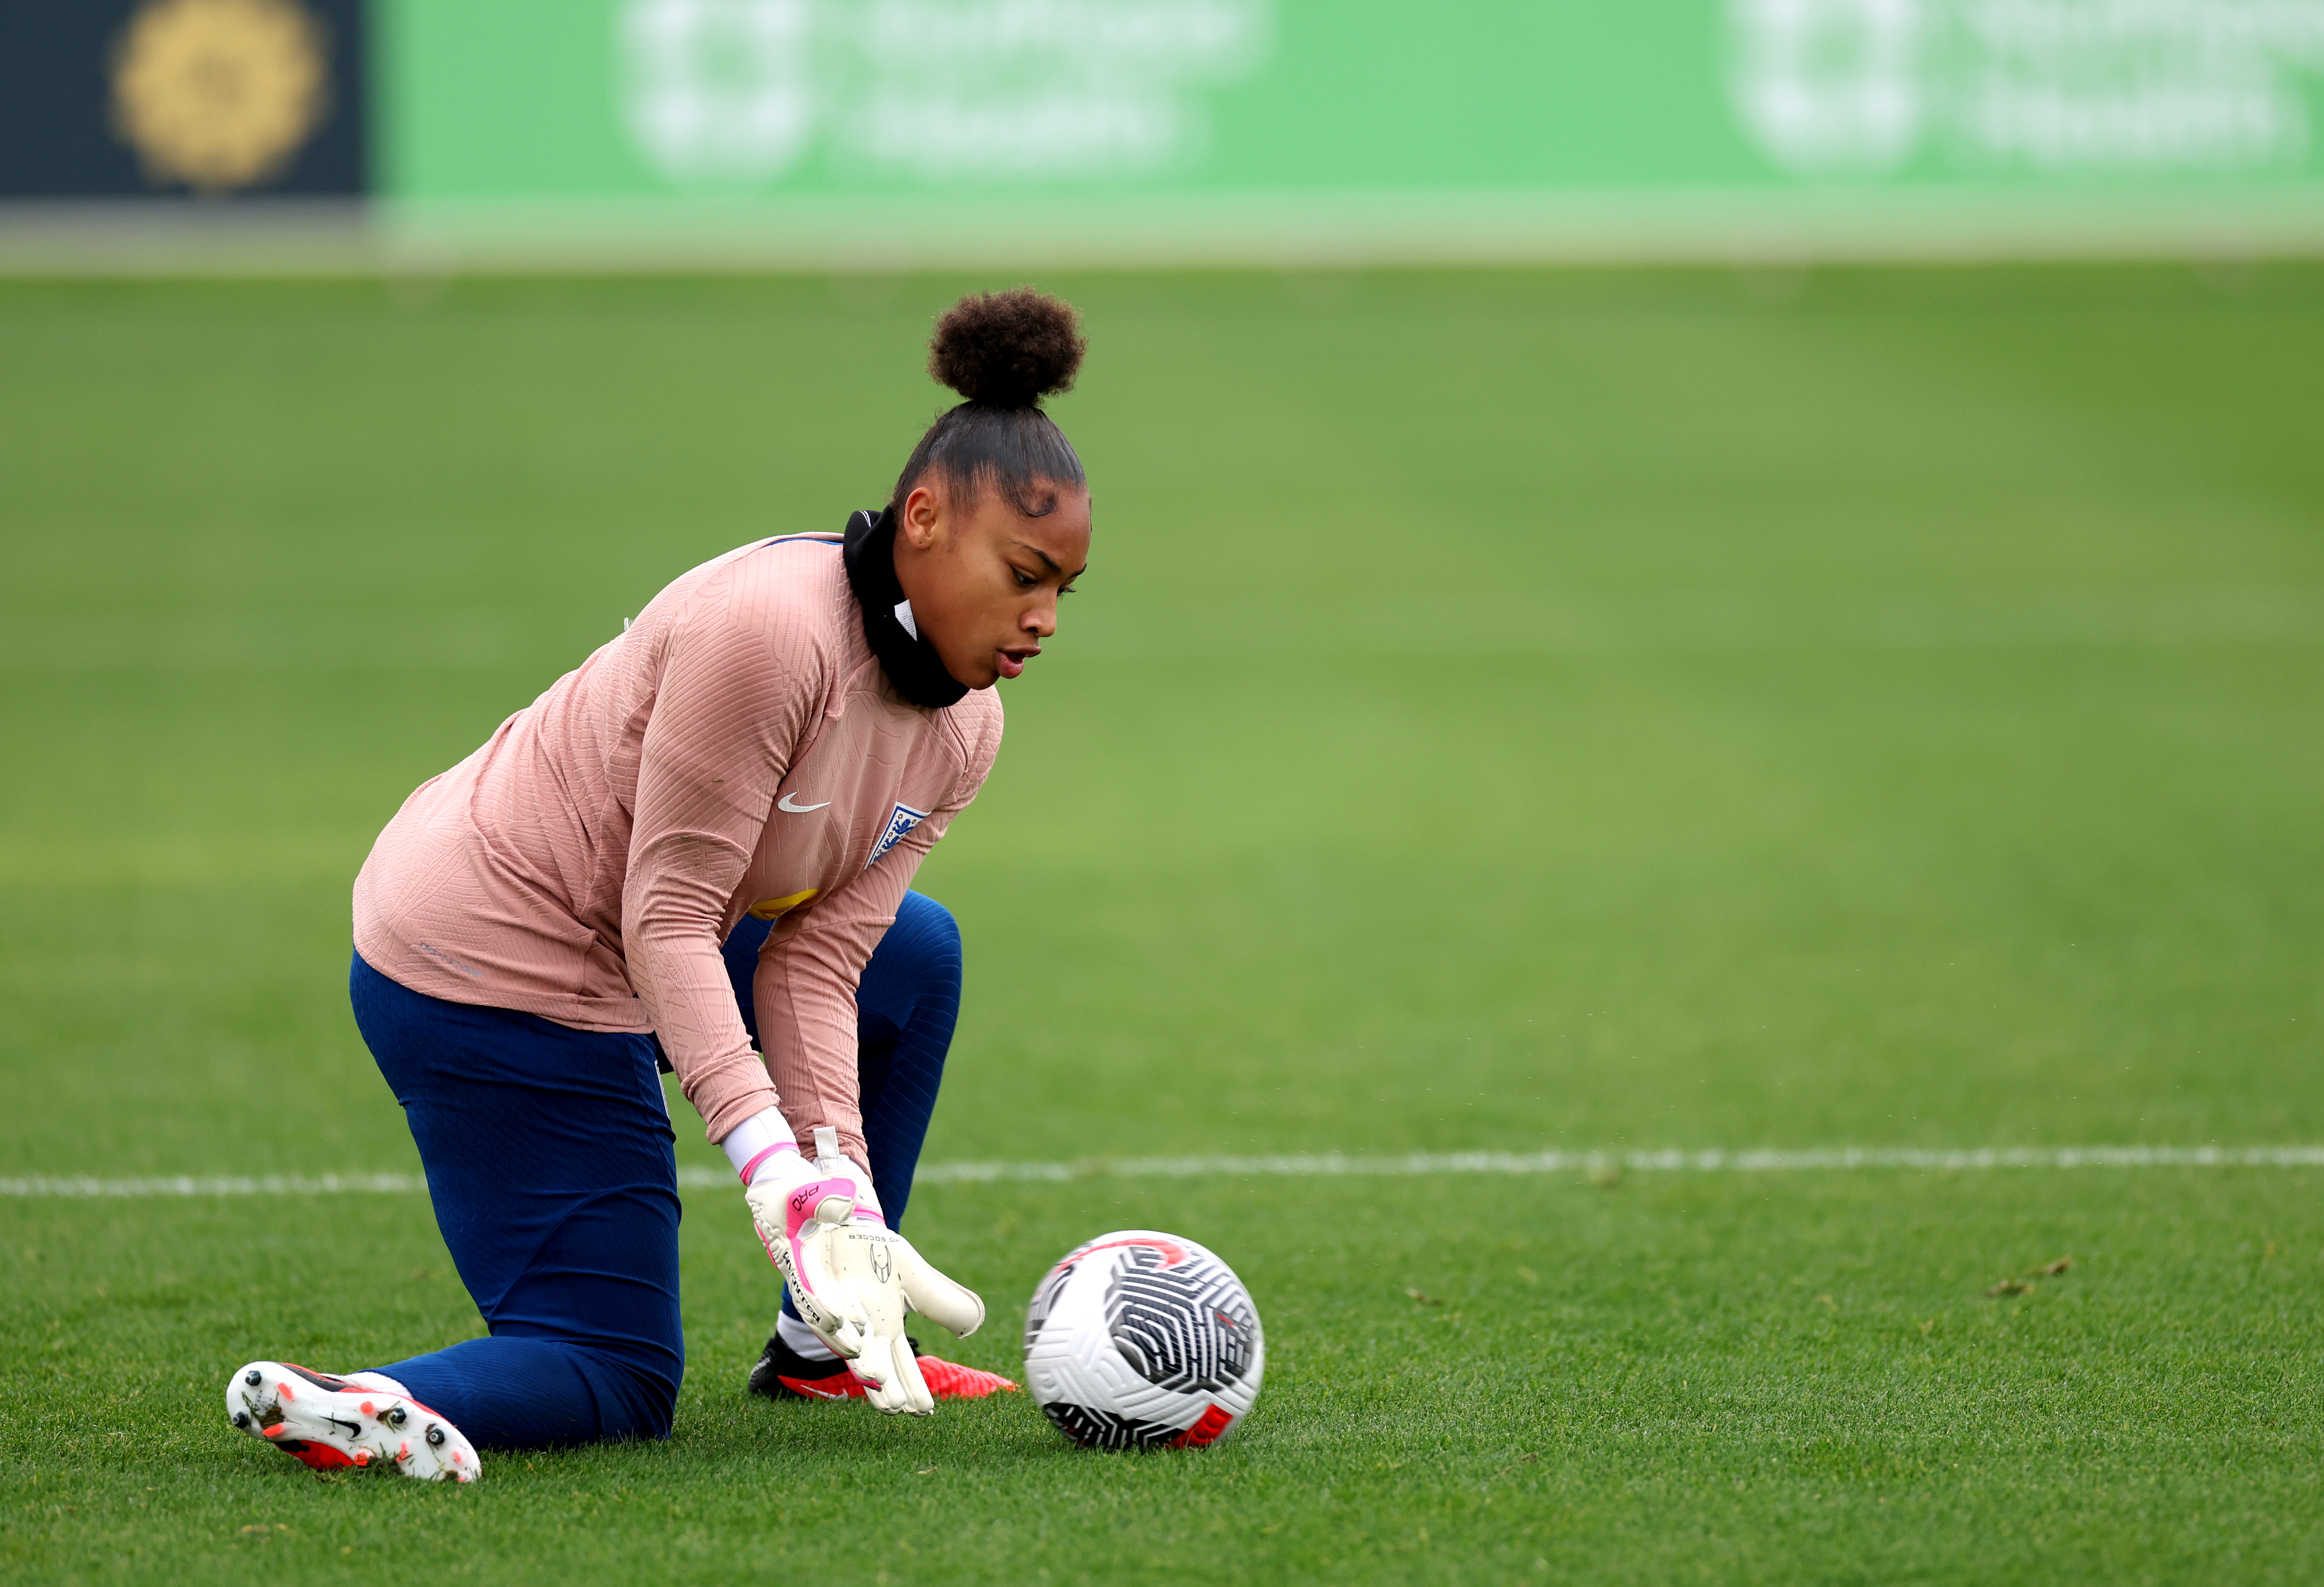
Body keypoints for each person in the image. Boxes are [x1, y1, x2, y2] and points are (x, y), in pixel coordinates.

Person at [222, 289, 1094, 1482]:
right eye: (1024, 575)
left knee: (912, 955)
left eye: (1065, 591)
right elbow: (668, 916)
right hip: (492, 959)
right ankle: (363, 1400)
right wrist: (771, 1172)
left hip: (642, 940)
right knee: (617, 1369)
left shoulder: (967, 726)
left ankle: (822, 1343)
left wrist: (835, 1185)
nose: (1042, 619)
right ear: (926, 519)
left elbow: (822, 956)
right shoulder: (769, 635)